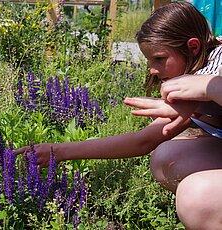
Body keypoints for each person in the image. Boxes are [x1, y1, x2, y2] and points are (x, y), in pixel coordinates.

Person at [15, 2, 222, 229]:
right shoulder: (194, 75)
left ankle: (207, 208)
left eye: (160, 59)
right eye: (149, 60)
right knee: (166, 158)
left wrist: (209, 89)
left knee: (196, 197)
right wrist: (58, 151)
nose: (152, 69)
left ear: (193, 47)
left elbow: (207, 87)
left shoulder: (216, 68)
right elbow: (143, 140)